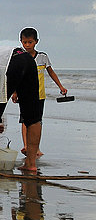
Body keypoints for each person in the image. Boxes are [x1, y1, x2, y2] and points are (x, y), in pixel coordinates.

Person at [17, 27, 68, 160]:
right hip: (24, 95)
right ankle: (27, 145)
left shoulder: (42, 57)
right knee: (24, 121)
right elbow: (16, 76)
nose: (27, 45)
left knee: (37, 121)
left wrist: (61, 86)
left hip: (39, 95)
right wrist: (15, 92)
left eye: (30, 42)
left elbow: (51, 72)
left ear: (36, 42)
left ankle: (35, 147)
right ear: (21, 42)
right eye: (24, 42)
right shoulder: (19, 57)